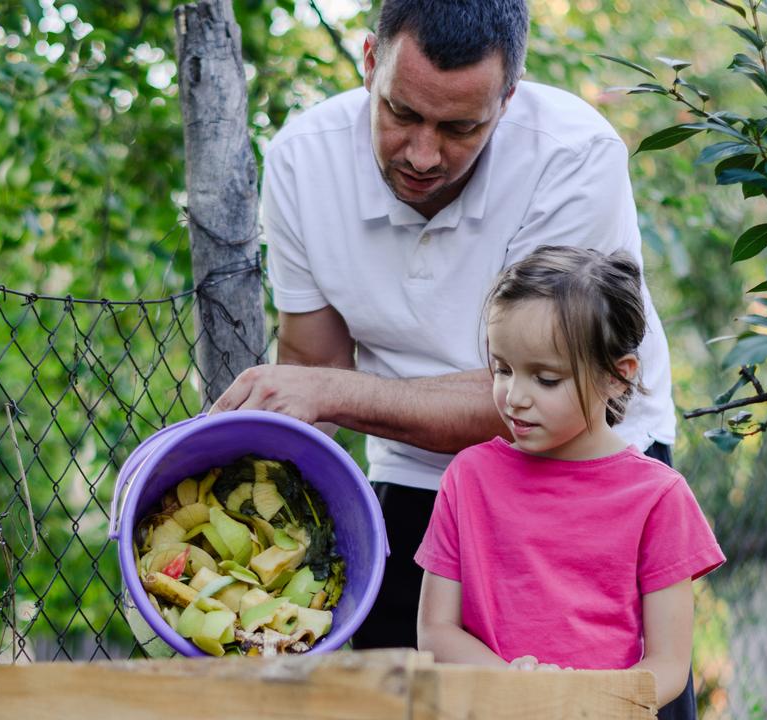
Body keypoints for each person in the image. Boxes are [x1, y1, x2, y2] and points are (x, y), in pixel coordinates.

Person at [210, 0, 677, 660]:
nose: (424, 154)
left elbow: (543, 396)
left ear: (508, 98)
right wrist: (255, 542)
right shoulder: (300, 162)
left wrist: (329, 394)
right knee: (405, 687)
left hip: (583, 469)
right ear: (371, 64)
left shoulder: (574, 156)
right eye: (402, 113)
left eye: (460, 127)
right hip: (409, 471)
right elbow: (317, 371)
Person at [414, 246, 724, 716]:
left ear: (617, 377)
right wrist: (520, 692)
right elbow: (435, 631)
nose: (515, 397)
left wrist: (582, 704)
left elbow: (668, 665)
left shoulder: (659, 497)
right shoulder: (468, 477)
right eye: (503, 369)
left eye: (546, 379)